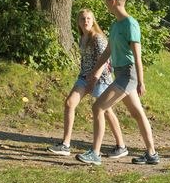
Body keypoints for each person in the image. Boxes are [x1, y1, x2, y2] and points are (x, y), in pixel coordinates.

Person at [77, 0, 160, 166]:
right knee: (138, 114)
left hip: (129, 74)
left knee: (98, 107)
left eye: (107, 1)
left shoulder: (130, 24)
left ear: (113, 1)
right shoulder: (115, 25)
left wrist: (141, 81)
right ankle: (152, 154)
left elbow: (137, 56)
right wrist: (94, 72)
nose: (106, 5)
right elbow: (108, 51)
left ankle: (95, 153)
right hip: (120, 73)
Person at [48, 9, 127, 158]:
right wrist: (86, 79)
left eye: (89, 19)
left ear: (93, 21)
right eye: (83, 19)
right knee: (69, 103)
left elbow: (104, 61)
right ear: (78, 22)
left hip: (101, 78)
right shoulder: (82, 38)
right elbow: (85, 61)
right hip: (84, 77)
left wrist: (95, 79)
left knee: (106, 111)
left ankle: (121, 145)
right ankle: (65, 144)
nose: (86, 21)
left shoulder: (98, 38)